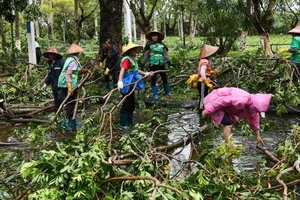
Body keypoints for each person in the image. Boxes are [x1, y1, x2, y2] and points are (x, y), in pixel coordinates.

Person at [202, 87, 272, 144]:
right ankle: (228, 145)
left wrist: (258, 135)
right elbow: (221, 101)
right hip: (215, 100)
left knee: (234, 121)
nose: (256, 112)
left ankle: (227, 141)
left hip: (226, 107)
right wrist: (208, 110)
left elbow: (254, 119)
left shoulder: (252, 107)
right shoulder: (242, 100)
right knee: (228, 124)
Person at [117, 43, 153, 130]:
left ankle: (130, 122)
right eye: (134, 50)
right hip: (126, 83)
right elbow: (122, 70)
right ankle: (122, 124)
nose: (135, 51)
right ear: (129, 51)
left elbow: (136, 70)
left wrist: (146, 73)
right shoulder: (126, 59)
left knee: (132, 103)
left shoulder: (132, 59)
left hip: (132, 83)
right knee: (126, 103)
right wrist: (120, 81)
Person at [57, 43, 90, 131]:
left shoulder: (72, 60)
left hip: (67, 83)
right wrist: (69, 88)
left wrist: (85, 71)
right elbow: (68, 75)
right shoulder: (72, 62)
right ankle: (68, 122)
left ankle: (72, 120)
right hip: (67, 84)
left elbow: (77, 72)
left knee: (73, 102)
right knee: (72, 103)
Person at [141, 30, 171, 100]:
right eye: (153, 36)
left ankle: (167, 92)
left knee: (164, 77)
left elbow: (165, 54)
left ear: (158, 37)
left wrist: (168, 61)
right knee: (153, 79)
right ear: (151, 37)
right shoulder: (149, 45)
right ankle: (155, 94)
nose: (154, 37)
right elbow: (146, 55)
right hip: (153, 63)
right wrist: (143, 63)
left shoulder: (162, 45)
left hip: (161, 62)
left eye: (155, 36)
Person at [197, 44, 220, 115]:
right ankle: (201, 112)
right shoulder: (205, 61)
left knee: (205, 96)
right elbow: (202, 72)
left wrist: (212, 72)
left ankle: (205, 110)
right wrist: (206, 82)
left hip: (204, 81)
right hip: (202, 82)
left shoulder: (203, 60)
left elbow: (206, 71)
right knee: (203, 97)